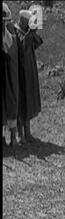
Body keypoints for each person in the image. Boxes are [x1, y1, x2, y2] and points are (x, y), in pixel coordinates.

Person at [15, 9, 43, 144]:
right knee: (21, 102)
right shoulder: (16, 31)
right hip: (20, 72)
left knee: (29, 101)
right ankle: (21, 134)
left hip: (29, 71)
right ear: (23, 21)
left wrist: (34, 32)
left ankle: (28, 132)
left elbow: (37, 44)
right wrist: (28, 35)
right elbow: (21, 48)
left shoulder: (26, 32)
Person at [2, 3, 19, 147]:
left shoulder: (9, 35)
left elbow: (10, 51)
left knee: (10, 101)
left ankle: (13, 137)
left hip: (8, 74)